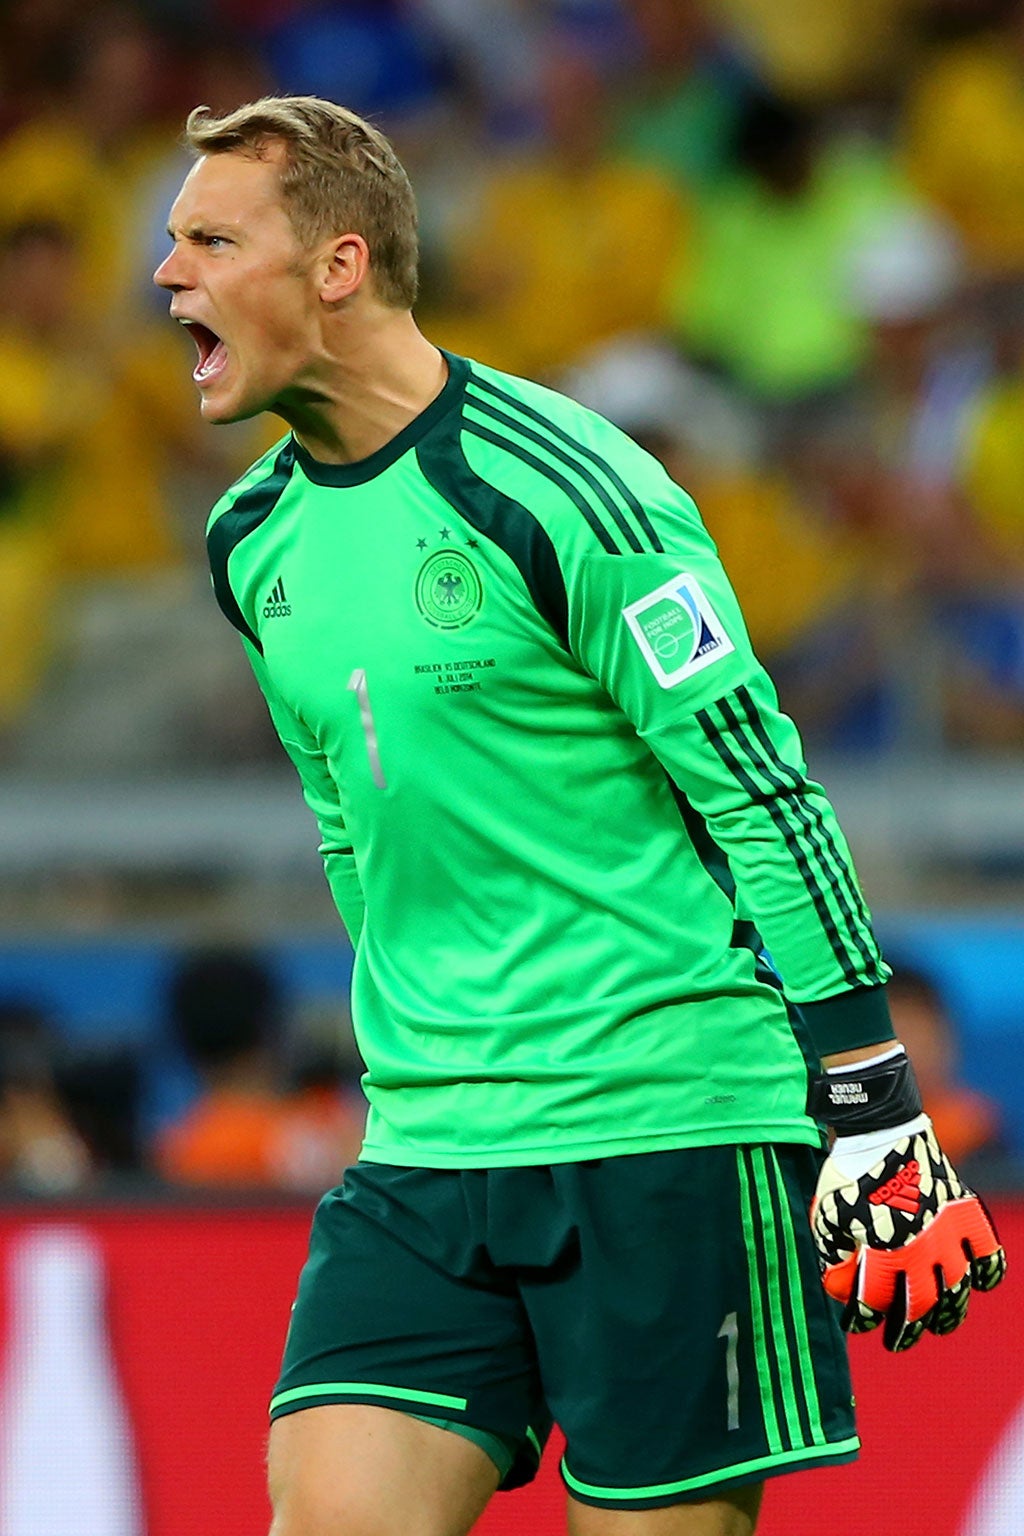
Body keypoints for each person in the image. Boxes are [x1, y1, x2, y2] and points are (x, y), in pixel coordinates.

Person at [153, 96, 1005, 1536]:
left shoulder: (573, 489)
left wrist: (867, 1100)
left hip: (664, 1128)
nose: (167, 275)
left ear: (339, 267)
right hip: (429, 1143)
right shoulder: (253, 542)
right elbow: (352, 830)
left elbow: (763, 786)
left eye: (211, 240)